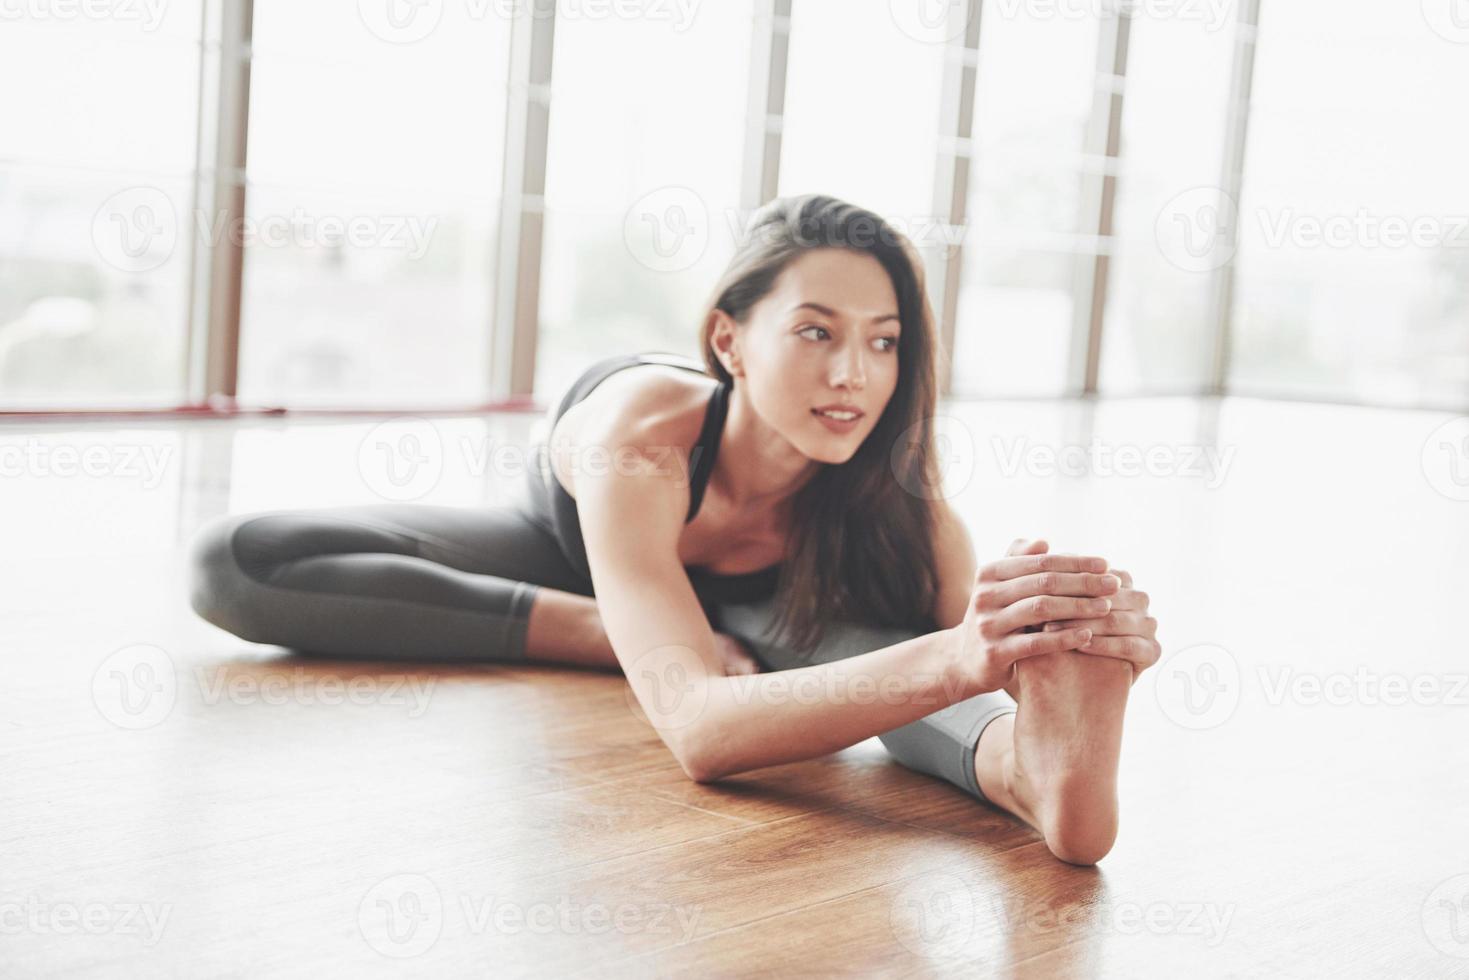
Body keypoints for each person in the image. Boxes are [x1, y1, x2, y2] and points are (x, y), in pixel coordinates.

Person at [188, 194, 1161, 865]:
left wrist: (1035, 648)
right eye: (815, 331)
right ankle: (614, 629)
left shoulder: (904, 515)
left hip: (782, 611)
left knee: (901, 663)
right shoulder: (640, 444)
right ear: (729, 340)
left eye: (883, 341)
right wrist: (660, 647)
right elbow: (698, 728)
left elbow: (945, 673)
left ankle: (1032, 782)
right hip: (573, 556)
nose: (851, 375)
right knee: (235, 561)